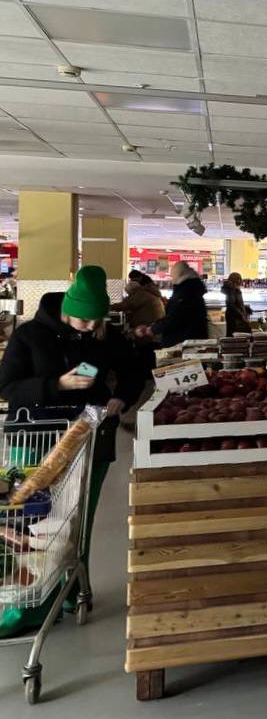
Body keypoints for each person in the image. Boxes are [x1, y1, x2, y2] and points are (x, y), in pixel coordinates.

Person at [0, 265, 140, 636]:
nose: (90, 327)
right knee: (31, 524)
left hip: (89, 440)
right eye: (84, 319)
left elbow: (134, 371)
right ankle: (26, 602)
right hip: (36, 440)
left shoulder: (106, 337)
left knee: (77, 525)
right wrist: (57, 384)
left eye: (97, 321)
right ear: (67, 308)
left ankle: (72, 588)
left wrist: (120, 397)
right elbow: (7, 386)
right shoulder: (29, 336)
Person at [133, 261, 209, 347]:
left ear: (178, 275)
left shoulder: (185, 292)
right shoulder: (189, 289)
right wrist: (153, 327)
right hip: (188, 340)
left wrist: (151, 329)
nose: (172, 278)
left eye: (173, 275)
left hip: (183, 343)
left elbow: (174, 318)